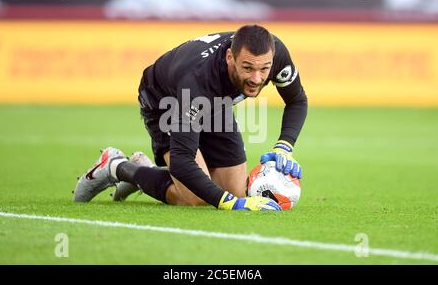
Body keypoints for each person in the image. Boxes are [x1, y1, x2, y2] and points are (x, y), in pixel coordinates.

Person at [73, 24, 308, 211]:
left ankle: (148, 171)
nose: (257, 78)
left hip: (217, 102)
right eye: (247, 68)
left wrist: (283, 148)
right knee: (196, 198)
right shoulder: (197, 81)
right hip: (166, 100)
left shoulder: (275, 54)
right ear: (229, 58)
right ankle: (116, 167)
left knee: (235, 190)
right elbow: (183, 160)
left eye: (263, 70)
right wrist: (231, 204)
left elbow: (297, 100)